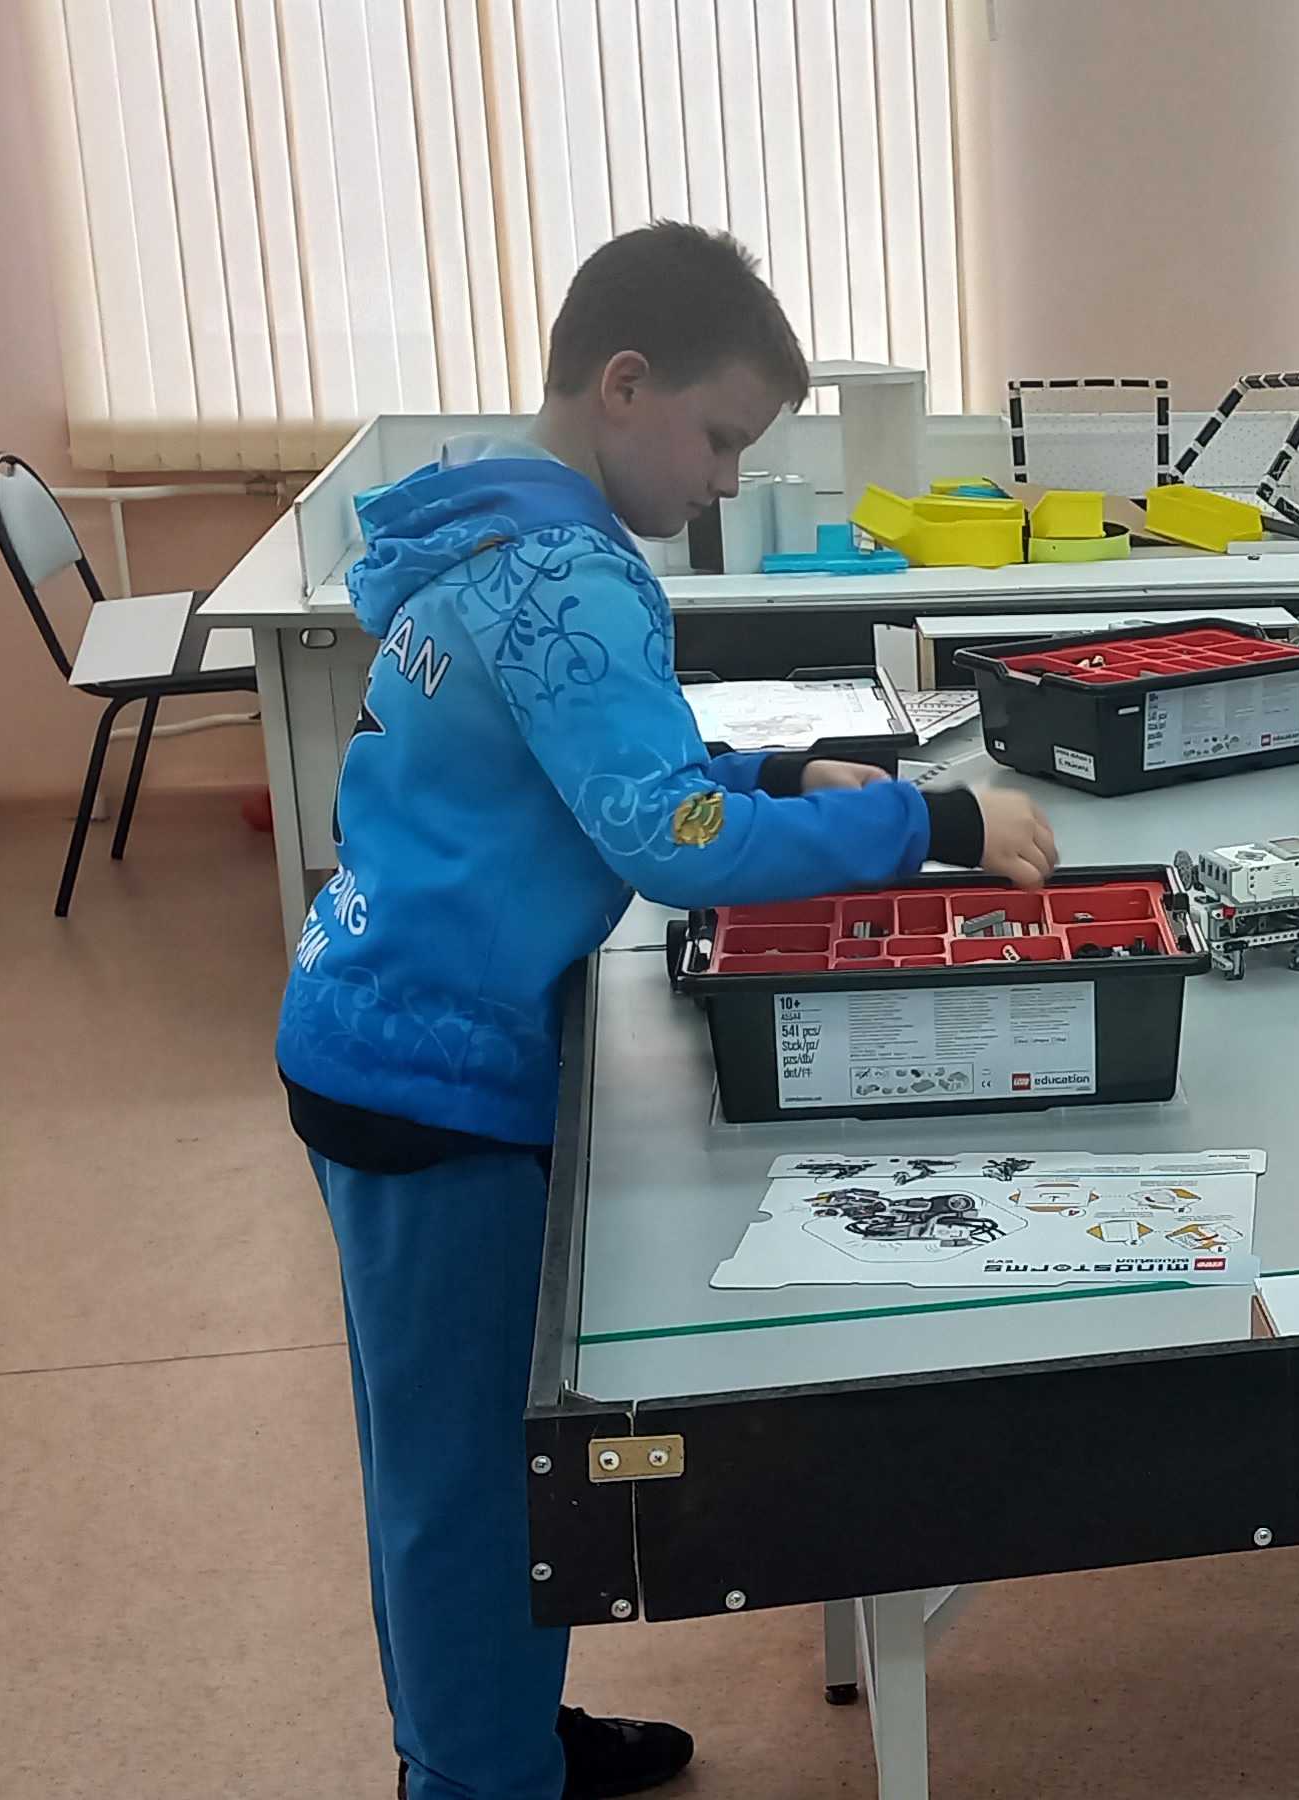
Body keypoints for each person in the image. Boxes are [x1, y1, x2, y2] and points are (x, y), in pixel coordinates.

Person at [273, 221, 1058, 1799]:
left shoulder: (495, 522)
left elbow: (604, 754)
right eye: (718, 438)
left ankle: (501, 1732)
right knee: (464, 1478)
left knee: (464, 1458)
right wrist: (929, 821)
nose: (722, 481)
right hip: (430, 1080)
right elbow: (667, 840)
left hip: (398, 1032)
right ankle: (475, 1777)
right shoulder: (568, 569)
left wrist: (783, 771)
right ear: (624, 384)